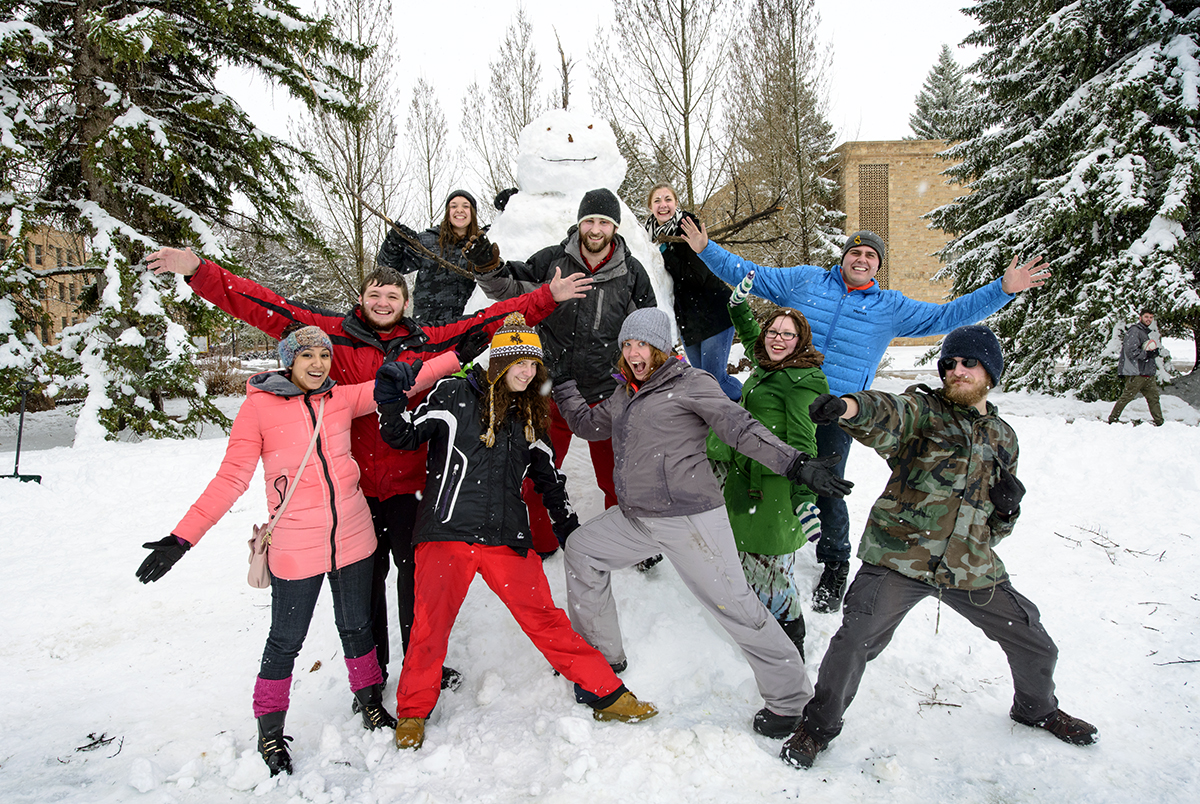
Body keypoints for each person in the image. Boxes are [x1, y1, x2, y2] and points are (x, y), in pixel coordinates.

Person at [146, 246, 590, 697]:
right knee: (365, 587)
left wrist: (546, 298)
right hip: (354, 492)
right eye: (375, 294)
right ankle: (372, 674)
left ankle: (424, 664)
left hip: (411, 488)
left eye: (392, 296)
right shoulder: (328, 337)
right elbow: (264, 305)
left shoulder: (427, 340)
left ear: (405, 303)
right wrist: (198, 271)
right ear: (361, 298)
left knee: (417, 579)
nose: (383, 302)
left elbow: (489, 323)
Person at [680, 219, 1050, 614]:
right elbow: (748, 273)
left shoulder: (890, 308)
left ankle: (835, 561)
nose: (861, 259)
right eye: (855, 252)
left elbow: (947, 316)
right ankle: (759, 540)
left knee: (826, 486)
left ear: (877, 266)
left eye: (870, 255)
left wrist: (1003, 289)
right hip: (780, 397)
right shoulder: (805, 281)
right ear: (844, 258)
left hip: (836, 411)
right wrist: (705, 248)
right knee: (761, 472)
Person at [778, 325, 1099, 769]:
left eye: (969, 363)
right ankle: (816, 728)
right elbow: (887, 412)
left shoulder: (1004, 438)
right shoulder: (926, 411)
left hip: (970, 566)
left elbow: (998, 527)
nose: (957, 371)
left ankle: (1035, 709)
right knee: (853, 642)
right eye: (950, 363)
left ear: (991, 371)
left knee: (1035, 643)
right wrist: (847, 406)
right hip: (899, 557)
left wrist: (1006, 511)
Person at [135, 325, 422, 776]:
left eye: (323, 356)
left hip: (353, 536)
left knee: (356, 625)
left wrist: (466, 353)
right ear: (289, 360)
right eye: (306, 355)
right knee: (285, 641)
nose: (316, 364)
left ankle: (368, 700)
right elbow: (231, 478)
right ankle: (270, 731)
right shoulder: (258, 408)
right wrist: (182, 538)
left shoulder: (341, 399)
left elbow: (408, 378)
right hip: (295, 545)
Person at [555, 307, 852, 739]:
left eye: (642, 344)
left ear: (661, 349)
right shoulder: (626, 395)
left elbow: (740, 428)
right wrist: (564, 384)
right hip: (638, 518)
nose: (634, 352)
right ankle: (603, 654)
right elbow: (588, 425)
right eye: (627, 345)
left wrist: (796, 464)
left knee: (737, 607)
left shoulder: (690, 383)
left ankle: (791, 702)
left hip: (690, 520)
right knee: (583, 550)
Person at [377, 313, 658, 750]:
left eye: (534, 365)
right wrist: (389, 391)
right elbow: (402, 435)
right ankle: (413, 712)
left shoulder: (531, 417)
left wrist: (569, 531)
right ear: (498, 361)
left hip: (505, 538)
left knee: (547, 620)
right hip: (446, 533)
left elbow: (550, 483)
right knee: (429, 628)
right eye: (518, 362)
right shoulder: (452, 394)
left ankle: (605, 692)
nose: (527, 372)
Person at [474, 188, 657, 556]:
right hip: (552, 389)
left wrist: (640, 377)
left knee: (618, 477)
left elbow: (648, 329)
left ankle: (628, 542)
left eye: (603, 221)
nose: (595, 228)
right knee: (540, 472)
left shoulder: (632, 272)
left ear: (614, 227)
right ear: (579, 222)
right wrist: (487, 267)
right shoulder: (553, 261)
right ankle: (539, 539)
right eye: (589, 220)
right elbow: (508, 288)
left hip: (608, 392)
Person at [708, 272, 828, 662]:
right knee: (753, 570)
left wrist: (806, 498)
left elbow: (805, 443)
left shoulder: (803, 381)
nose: (777, 338)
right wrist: (739, 305)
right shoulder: (769, 366)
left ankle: (792, 653)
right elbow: (749, 331)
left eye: (787, 334)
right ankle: (765, 639)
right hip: (747, 483)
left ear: (801, 342)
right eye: (773, 331)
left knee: (773, 579)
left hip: (774, 492)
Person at [644, 182, 741, 400]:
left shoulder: (688, 229)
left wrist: (666, 252)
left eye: (668, 199)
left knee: (715, 380)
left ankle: (754, 407)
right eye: (657, 200)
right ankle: (718, 427)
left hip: (713, 312)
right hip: (688, 319)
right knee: (700, 381)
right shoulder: (648, 236)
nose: (663, 205)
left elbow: (698, 276)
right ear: (650, 206)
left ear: (676, 203)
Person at [376, 189, 489, 326]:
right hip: (430, 327)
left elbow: (511, 236)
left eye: (465, 206)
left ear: (473, 213)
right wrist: (394, 242)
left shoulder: (482, 243)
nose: (459, 210)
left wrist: (509, 205)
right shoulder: (427, 241)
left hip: (470, 325)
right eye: (454, 206)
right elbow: (389, 267)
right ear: (447, 212)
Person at [1108, 309, 1166, 426]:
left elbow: (1144, 350)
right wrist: (1148, 354)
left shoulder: (1145, 332)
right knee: (1126, 397)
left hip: (1148, 373)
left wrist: (1154, 352)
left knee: (1153, 398)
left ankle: (1160, 422)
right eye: (1146, 317)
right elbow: (1131, 351)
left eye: (1151, 317)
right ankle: (1113, 419)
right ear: (1140, 318)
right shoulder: (1135, 331)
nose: (1148, 319)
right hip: (1137, 373)